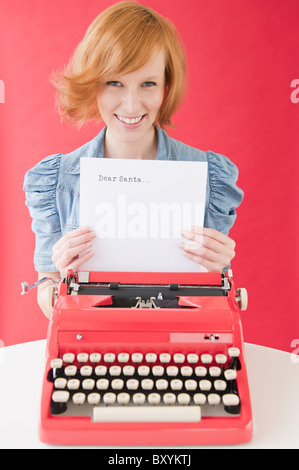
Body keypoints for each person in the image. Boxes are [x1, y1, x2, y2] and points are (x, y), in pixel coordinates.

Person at [23, 1, 243, 318]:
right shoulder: (53, 180)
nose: (131, 105)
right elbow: (48, 288)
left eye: (147, 84)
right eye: (115, 82)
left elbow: (214, 300)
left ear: (166, 87)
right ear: (94, 84)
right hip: (90, 336)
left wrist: (221, 269)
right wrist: (56, 283)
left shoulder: (211, 178)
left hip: (180, 336)